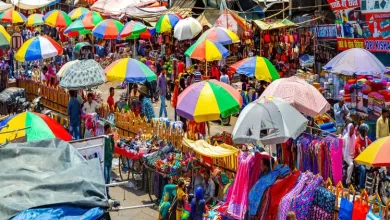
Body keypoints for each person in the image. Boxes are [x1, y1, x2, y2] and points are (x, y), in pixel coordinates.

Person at [355, 124, 371, 190]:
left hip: (364, 158)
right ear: (362, 132)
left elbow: (372, 144)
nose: (366, 133)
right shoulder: (358, 140)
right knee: (363, 169)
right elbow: (359, 150)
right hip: (357, 160)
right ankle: (361, 187)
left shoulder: (366, 138)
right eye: (366, 131)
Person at [104, 123, 114, 198]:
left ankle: (107, 193)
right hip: (104, 161)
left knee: (108, 178)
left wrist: (112, 152)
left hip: (109, 159)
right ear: (107, 129)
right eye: (110, 128)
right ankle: (104, 193)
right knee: (105, 176)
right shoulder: (103, 138)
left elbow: (113, 144)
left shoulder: (110, 137)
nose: (111, 129)